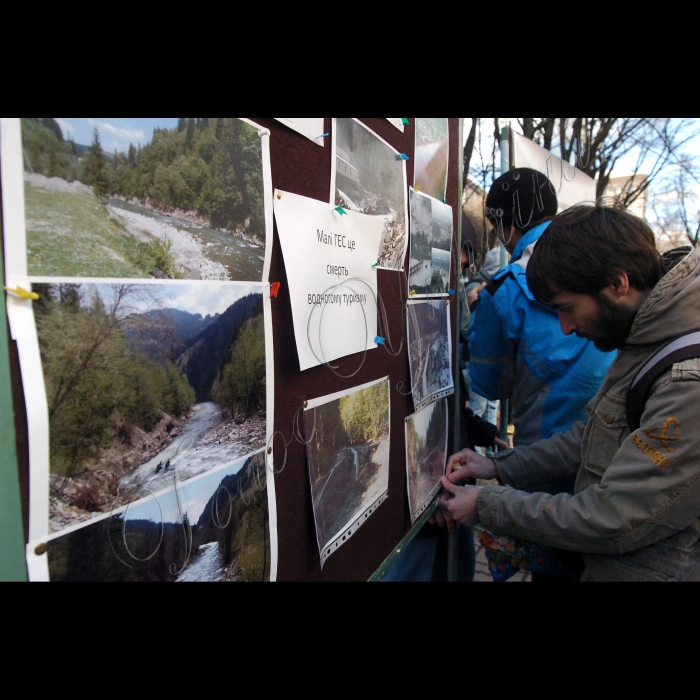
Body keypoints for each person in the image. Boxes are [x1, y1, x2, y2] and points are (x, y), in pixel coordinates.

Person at [436, 204, 700, 581]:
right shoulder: (646, 335)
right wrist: (496, 466)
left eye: (567, 308)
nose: (565, 327)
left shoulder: (687, 383)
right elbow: (591, 437)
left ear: (617, 284)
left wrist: (488, 503)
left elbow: (614, 516)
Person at [468, 168, 615, 471]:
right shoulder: (606, 264)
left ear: (508, 228)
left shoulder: (504, 289)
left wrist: (476, 317)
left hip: (540, 457)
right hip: (614, 444)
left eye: (497, 228)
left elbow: (490, 385)